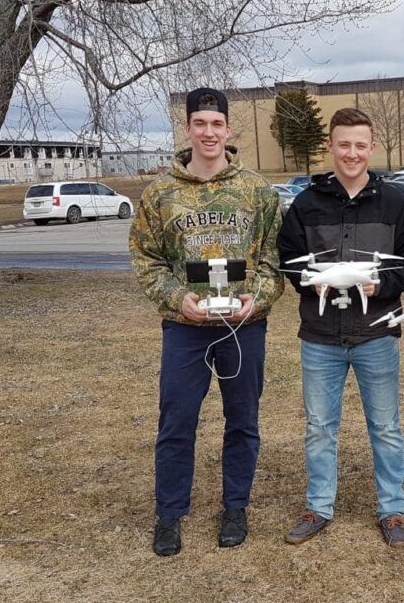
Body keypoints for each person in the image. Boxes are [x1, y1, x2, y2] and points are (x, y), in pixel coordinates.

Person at [129, 87, 285, 557]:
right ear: (188, 129)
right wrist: (179, 300)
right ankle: (169, 513)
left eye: (217, 124)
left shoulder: (256, 190)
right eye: (200, 123)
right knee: (177, 421)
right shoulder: (161, 192)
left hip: (243, 326)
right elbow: (146, 259)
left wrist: (254, 301)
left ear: (228, 129)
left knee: (243, 421)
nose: (209, 132)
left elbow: (276, 259)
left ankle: (235, 507)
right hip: (185, 330)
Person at [277, 108, 404, 548]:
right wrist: (312, 280)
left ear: (371, 147)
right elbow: (288, 258)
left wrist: (382, 286)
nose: (352, 153)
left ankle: (392, 510)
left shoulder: (396, 202)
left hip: (376, 332)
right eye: (344, 144)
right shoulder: (306, 204)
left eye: (360, 145)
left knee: (386, 426)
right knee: (320, 426)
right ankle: (318, 507)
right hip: (320, 337)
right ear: (331, 146)